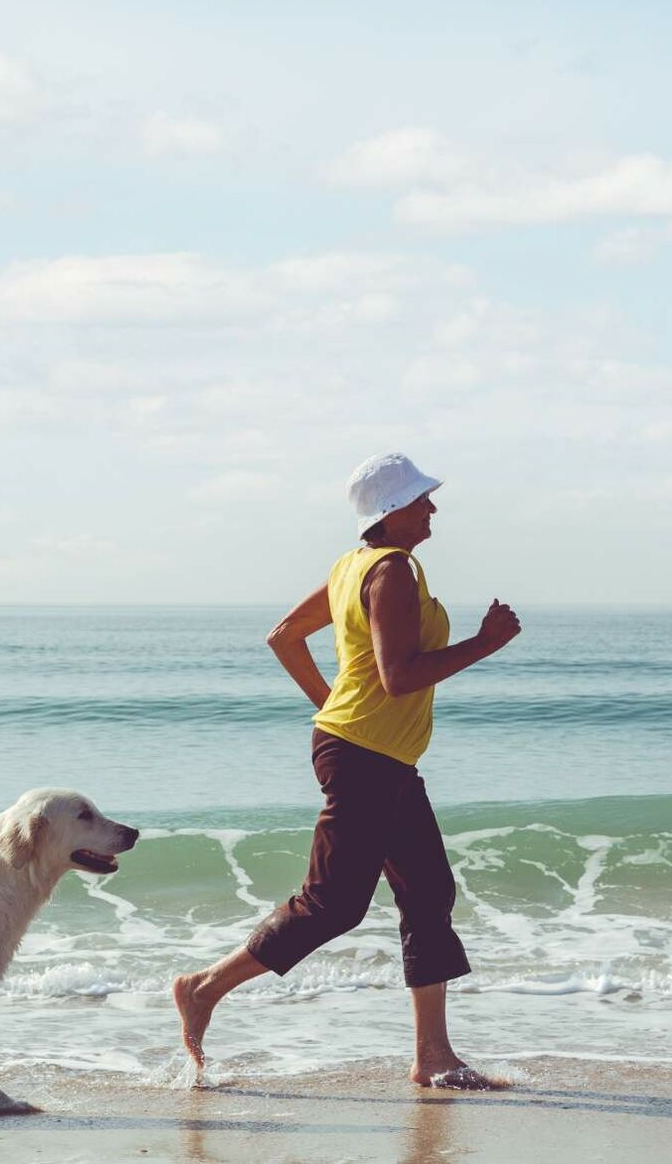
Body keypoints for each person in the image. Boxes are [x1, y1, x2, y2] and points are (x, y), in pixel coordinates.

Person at [171, 452, 522, 1088]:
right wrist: (485, 644)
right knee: (332, 904)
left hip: (375, 754)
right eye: (422, 500)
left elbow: (283, 636)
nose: (433, 508)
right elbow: (397, 678)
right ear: (393, 513)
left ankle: (434, 1057)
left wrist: (332, 706)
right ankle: (203, 988)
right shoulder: (390, 571)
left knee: (427, 895)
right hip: (364, 757)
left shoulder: (352, 565)